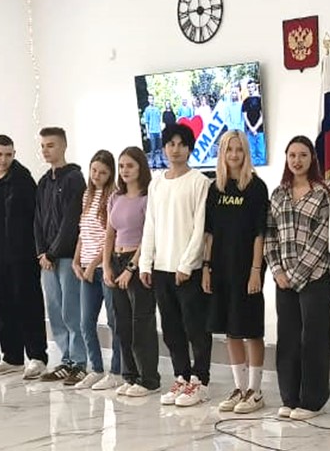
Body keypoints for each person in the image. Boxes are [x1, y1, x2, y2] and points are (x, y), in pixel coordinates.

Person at [139, 123, 212, 407]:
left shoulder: (200, 182)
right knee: (171, 329)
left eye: (182, 144)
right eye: (171, 144)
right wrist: (146, 263)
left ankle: (200, 380)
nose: (176, 149)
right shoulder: (156, 183)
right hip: (161, 268)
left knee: (196, 327)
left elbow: (200, 227)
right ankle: (181, 376)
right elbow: (150, 225)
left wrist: (187, 264)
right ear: (164, 147)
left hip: (187, 270)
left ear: (190, 148)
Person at [264, 135, 330, 421]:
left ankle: (312, 401)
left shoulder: (325, 192)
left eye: (303, 155)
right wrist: (277, 270)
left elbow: (324, 237)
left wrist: (297, 273)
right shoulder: (278, 194)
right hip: (284, 280)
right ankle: (289, 397)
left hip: (315, 277)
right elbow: (270, 234)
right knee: (288, 339)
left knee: (314, 339)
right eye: (292, 155)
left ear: (312, 158)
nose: (297, 160)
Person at [203, 130, 269, 415]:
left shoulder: (256, 187)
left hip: (247, 268)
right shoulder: (215, 188)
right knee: (231, 330)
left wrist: (256, 270)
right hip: (220, 268)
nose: (234, 155)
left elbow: (259, 234)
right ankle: (240, 388)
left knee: (250, 329)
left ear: (246, 153)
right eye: (229, 150)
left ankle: (255, 390)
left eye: (239, 149)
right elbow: (209, 233)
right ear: (222, 153)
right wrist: (206, 267)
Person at [0, 135, 50, 379]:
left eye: (8, 155)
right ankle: (12, 356)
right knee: (2, 306)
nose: (3, 159)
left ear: (14, 154)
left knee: (28, 306)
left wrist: (37, 250)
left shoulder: (22, 179)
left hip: (22, 256)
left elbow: (35, 218)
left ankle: (37, 356)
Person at [103, 146, 161, 397]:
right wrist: (106, 265)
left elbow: (150, 236)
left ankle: (148, 379)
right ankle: (130, 375)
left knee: (141, 322)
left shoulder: (148, 198)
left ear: (140, 168)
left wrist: (131, 268)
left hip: (137, 261)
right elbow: (110, 233)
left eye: (130, 165)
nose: (125, 170)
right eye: (122, 166)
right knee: (122, 323)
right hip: (116, 260)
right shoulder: (115, 198)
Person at [34, 127, 87, 384]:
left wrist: (53, 253)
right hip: (47, 260)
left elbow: (71, 221)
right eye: (43, 145)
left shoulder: (74, 179)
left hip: (66, 257)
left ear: (63, 146)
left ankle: (79, 362)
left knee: (71, 310)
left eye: (51, 145)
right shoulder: (44, 182)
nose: (46, 150)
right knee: (55, 310)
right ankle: (65, 359)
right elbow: (37, 219)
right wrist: (41, 252)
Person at [72, 150, 122, 390]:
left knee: (114, 321)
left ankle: (117, 371)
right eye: (93, 170)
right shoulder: (87, 195)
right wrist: (77, 260)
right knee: (85, 322)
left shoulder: (114, 196)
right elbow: (83, 233)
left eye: (102, 172)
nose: (97, 175)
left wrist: (94, 264)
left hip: (104, 268)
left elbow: (111, 237)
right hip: (86, 269)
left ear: (110, 173)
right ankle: (96, 368)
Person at [242, 80, 265, 165]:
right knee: (252, 154)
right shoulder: (245, 101)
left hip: (260, 131)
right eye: (248, 87)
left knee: (262, 153)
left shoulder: (260, 100)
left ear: (255, 87)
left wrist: (255, 128)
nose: (250, 89)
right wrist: (251, 129)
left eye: (252, 87)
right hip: (250, 132)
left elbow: (263, 116)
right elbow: (245, 116)